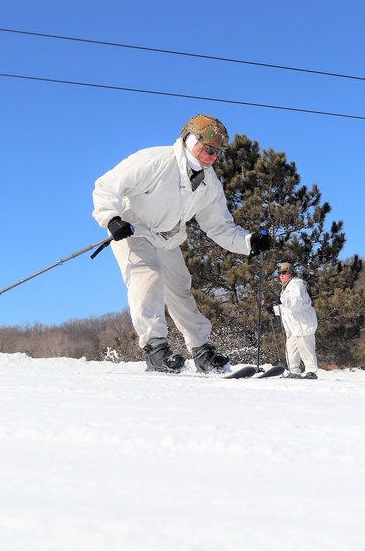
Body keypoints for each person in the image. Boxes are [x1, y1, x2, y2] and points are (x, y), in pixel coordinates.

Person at [92, 114, 271, 374]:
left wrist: (248, 241)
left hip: (167, 237)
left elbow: (219, 226)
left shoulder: (210, 184)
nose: (211, 156)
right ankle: (155, 349)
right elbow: (107, 186)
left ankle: (200, 350)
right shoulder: (156, 161)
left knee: (180, 290)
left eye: (217, 153)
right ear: (190, 139)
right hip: (133, 229)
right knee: (148, 277)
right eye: (208, 149)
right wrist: (111, 219)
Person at [268, 262, 319, 380]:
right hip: (293, 326)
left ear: (291, 273)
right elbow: (287, 308)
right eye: (279, 273)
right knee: (291, 350)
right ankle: (294, 371)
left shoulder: (297, 285)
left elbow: (297, 302)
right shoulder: (287, 287)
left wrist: (281, 300)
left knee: (306, 349)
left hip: (303, 324)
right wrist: (274, 310)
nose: (281, 275)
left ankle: (311, 371)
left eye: (284, 273)